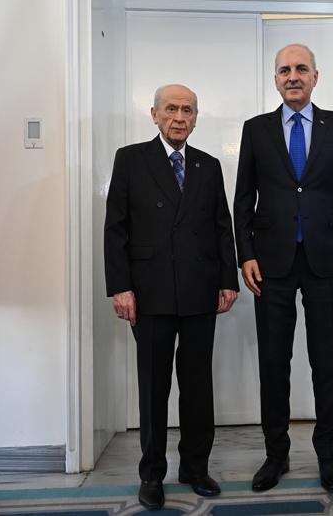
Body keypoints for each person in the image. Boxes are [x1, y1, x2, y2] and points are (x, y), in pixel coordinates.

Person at [233, 43, 333, 493]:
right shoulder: (256, 129)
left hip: (327, 262)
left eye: (301, 69)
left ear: (315, 77)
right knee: (274, 362)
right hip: (270, 264)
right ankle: (276, 455)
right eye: (284, 70)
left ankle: (328, 456)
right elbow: (242, 200)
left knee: (326, 361)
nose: (292, 76)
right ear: (275, 79)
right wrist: (246, 255)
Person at [104, 84, 239, 510]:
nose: (179, 117)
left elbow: (222, 226)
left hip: (200, 290)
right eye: (171, 109)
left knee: (197, 386)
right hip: (150, 293)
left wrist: (228, 279)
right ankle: (151, 474)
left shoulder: (208, 166)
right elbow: (115, 229)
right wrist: (120, 287)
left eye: (187, 110)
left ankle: (195, 468)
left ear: (196, 118)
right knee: (153, 389)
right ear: (154, 114)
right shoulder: (130, 159)